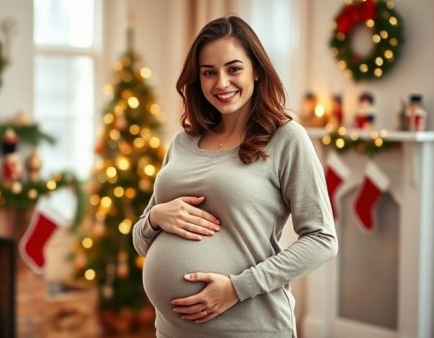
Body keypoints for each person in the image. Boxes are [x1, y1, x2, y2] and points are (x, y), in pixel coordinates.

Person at [132, 15, 338, 338]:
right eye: (208, 72)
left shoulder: (286, 138)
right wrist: (156, 217)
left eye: (234, 69)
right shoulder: (182, 142)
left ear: (256, 70)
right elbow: (141, 242)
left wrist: (237, 288)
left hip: (251, 328)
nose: (221, 83)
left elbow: (323, 240)